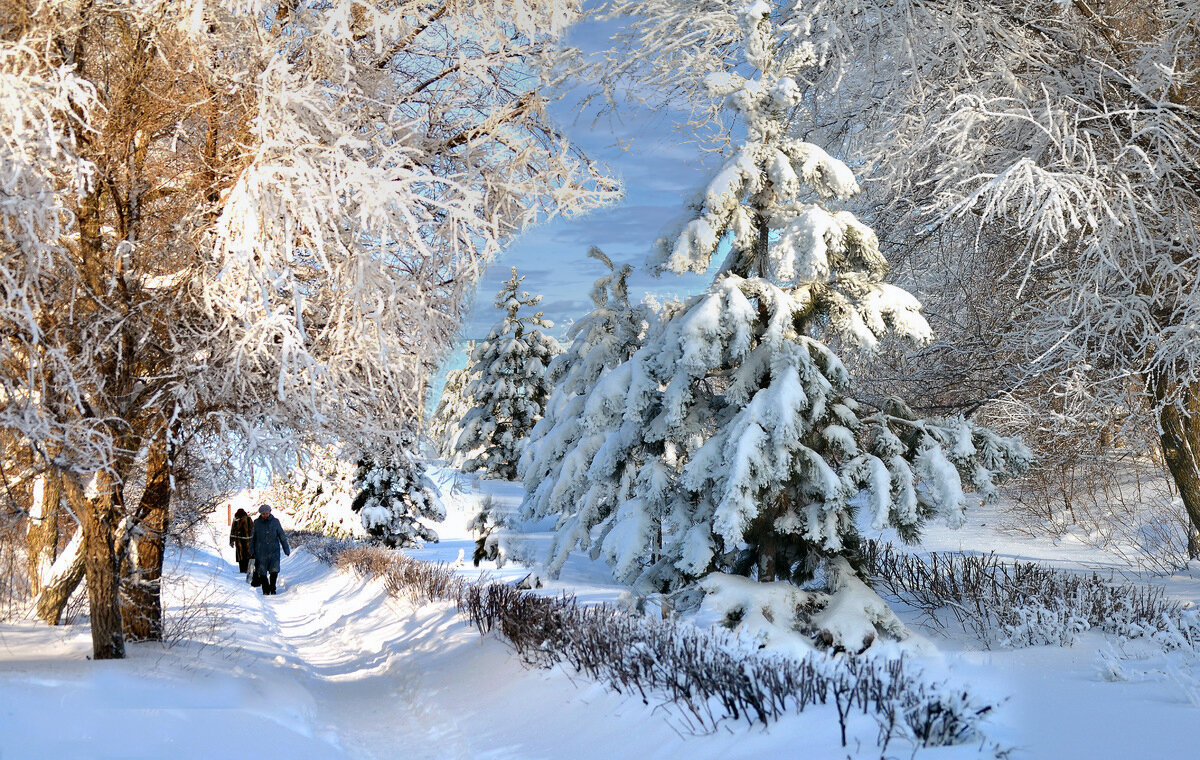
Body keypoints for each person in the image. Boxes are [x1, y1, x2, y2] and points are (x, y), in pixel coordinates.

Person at [250, 503, 291, 595]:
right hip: (260, 551)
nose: (265, 515)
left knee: (274, 570)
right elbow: (252, 537)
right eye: (263, 513)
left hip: (274, 551)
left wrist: (286, 549)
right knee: (262, 571)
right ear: (260, 513)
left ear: (269, 512)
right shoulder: (256, 523)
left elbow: (282, 536)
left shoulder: (276, 522)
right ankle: (265, 589)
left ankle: (272, 588)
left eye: (266, 513)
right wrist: (251, 549)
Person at [229, 508, 254, 574]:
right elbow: (252, 529)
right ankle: (248, 570)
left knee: (241, 555)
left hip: (239, 540)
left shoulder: (236, 519)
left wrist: (231, 541)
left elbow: (233, 530)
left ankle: (242, 570)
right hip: (248, 540)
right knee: (248, 555)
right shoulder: (248, 519)